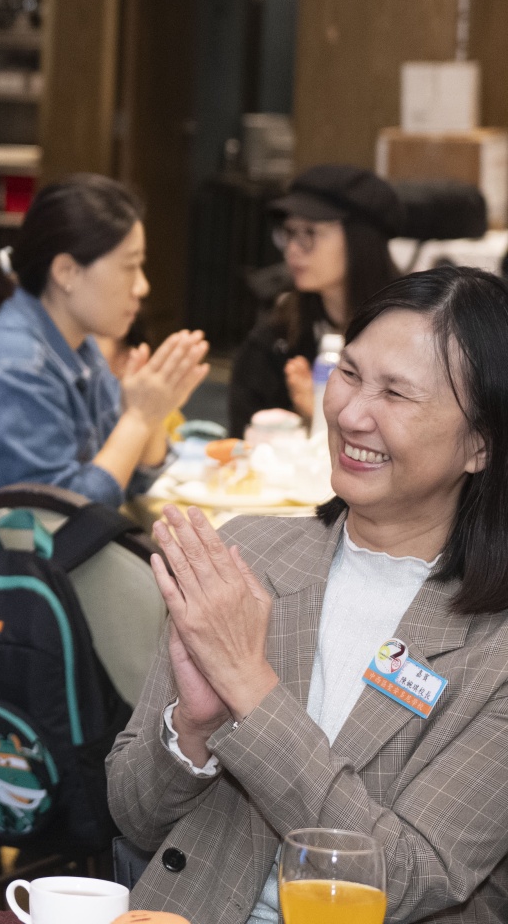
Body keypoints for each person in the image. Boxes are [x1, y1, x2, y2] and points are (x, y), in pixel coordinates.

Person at [109, 265, 508, 923]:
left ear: (480, 444)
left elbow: (403, 879)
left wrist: (249, 687)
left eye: (396, 393)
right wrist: (193, 729)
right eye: (348, 373)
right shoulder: (247, 557)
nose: (350, 414)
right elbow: (133, 815)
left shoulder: (493, 647)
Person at [0, 174, 209, 706]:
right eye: (130, 266)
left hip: (23, 609)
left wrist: (150, 416)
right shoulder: (15, 365)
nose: (142, 287)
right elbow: (59, 523)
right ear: (66, 272)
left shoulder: (76, 346)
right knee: (177, 680)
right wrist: (138, 418)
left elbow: (129, 478)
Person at [228, 164, 400, 434]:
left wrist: (321, 415)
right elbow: (244, 440)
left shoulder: (411, 333)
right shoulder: (278, 339)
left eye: (309, 233)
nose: (293, 250)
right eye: (289, 233)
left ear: (360, 240)